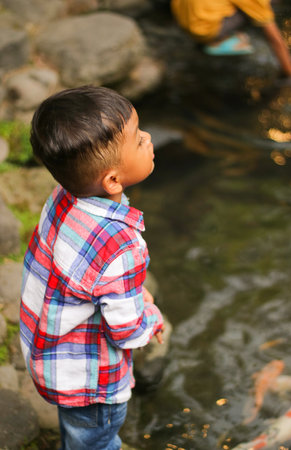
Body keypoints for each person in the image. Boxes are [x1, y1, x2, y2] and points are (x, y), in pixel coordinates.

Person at [19, 86, 164, 450]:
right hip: (91, 382)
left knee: (78, 435)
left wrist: (132, 294)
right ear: (113, 180)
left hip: (49, 353)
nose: (147, 138)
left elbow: (85, 282)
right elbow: (128, 332)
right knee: (96, 442)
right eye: (137, 138)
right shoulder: (122, 245)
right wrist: (152, 318)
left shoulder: (63, 196)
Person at [171, 0, 291, 84]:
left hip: (180, 17)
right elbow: (275, 39)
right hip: (200, 30)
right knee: (261, 13)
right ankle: (213, 41)